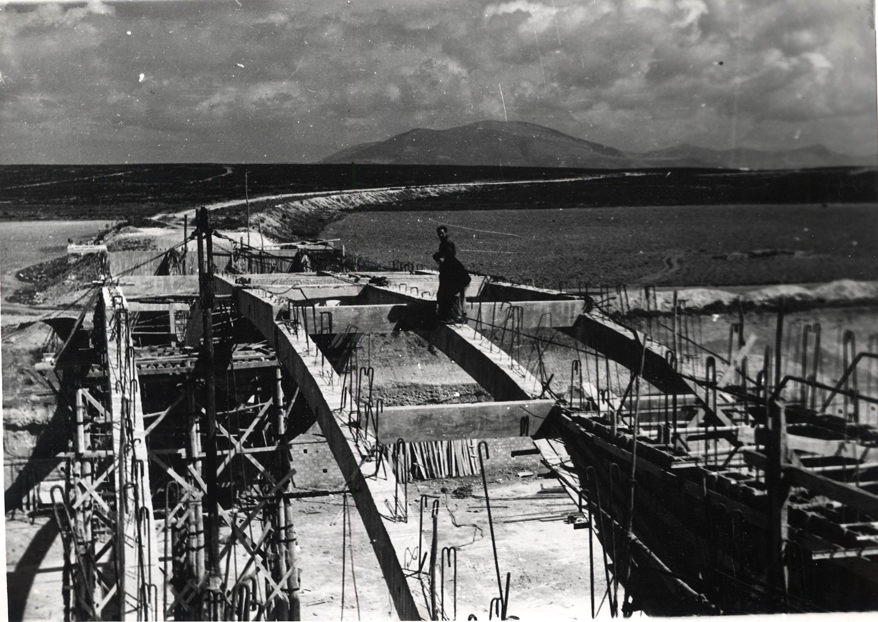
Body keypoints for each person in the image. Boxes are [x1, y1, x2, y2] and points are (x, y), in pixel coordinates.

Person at [432, 225, 470, 323]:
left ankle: (458, 317)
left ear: (446, 233)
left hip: (462, 280)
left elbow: (458, 278)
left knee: (456, 297)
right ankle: (450, 316)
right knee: (449, 295)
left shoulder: (450, 261)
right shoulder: (443, 245)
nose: (441, 235)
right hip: (456, 278)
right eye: (439, 233)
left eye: (442, 233)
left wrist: (456, 288)